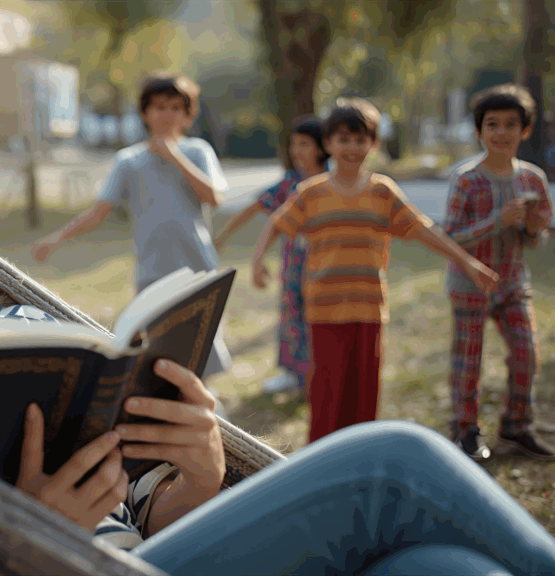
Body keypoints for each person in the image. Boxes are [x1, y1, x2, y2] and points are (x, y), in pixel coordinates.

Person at [0, 95, 555, 575]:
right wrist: (21, 544)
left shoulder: (12, 328)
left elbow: (148, 509)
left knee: (444, 566)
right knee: (392, 464)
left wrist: (199, 467)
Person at [251, 98, 500, 444]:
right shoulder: (311, 193)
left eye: (360, 139)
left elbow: (424, 229)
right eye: (343, 139)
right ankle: (321, 463)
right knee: (327, 397)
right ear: (328, 143)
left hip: (368, 310)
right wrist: (258, 259)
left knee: (364, 399)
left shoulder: (383, 192)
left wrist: (467, 261)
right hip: (324, 311)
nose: (352, 147)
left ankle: (361, 463)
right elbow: (277, 223)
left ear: (374, 144)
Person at [31, 73, 232, 379]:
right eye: (159, 106)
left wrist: (173, 155)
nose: (167, 114)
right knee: (160, 344)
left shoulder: (197, 151)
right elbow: (100, 211)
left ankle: (207, 402)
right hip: (153, 268)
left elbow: (214, 197)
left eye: (176, 108)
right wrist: (57, 239)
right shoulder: (129, 160)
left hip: (197, 265)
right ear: (145, 112)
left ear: (188, 114)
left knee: (202, 341)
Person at [443, 83, 555, 462]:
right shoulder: (466, 180)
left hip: (511, 283)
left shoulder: (532, 180)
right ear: (479, 131)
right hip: (470, 285)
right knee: (468, 361)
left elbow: (532, 241)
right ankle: (465, 429)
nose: (501, 133)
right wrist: (496, 220)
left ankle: (516, 426)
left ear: (524, 131)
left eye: (511, 124)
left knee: (526, 353)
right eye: (492, 124)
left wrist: (533, 227)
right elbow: (451, 238)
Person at [212, 116, 328, 396]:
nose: (296, 151)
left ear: (323, 147)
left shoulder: (332, 184)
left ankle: (318, 377)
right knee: (291, 317)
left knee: (319, 320)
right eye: (293, 145)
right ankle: (293, 375)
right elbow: (258, 210)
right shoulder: (290, 183)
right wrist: (224, 236)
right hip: (294, 267)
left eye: (304, 144)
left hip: (327, 268)